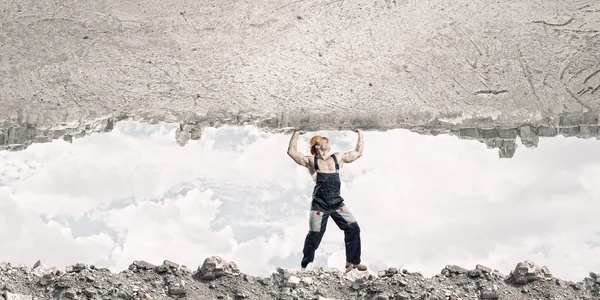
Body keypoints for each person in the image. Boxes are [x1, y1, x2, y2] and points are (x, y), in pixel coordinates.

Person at [286, 128, 367, 271]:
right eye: (323, 140)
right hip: (319, 205)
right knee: (314, 235)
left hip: (337, 203)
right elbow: (291, 152)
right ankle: (306, 265)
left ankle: (352, 262)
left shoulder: (338, 157)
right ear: (316, 146)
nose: (326, 141)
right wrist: (296, 134)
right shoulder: (311, 161)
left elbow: (358, 153)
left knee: (353, 228)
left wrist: (360, 133)